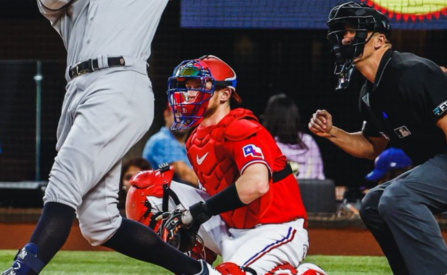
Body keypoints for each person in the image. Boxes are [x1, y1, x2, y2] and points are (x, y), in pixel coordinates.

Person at [2, 0, 334, 275]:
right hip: (77, 88)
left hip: (118, 82)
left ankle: (19, 272)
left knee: (62, 186)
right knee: (98, 224)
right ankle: (198, 273)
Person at [308, 2, 447, 275]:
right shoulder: (368, 94)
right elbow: (371, 148)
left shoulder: (411, 70)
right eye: (342, 33)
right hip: (444, 160)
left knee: (397, 197)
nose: (344, 39)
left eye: (352, 31)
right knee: (373, 204)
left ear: (379, 40)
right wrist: (332, 132)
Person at [127, 56, 326, 275]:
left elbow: (256, 184)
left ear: (225, 94)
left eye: (199, 86)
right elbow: (215, 191)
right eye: (187, 87)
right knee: (145, 188)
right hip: (230, 225)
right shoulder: (195, 140)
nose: (189, 93)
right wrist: (194, 228)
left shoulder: (240, 126)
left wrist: (200, 212)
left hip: (275, 228)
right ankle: (191, 254)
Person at [261, 93, 324, 180]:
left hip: (282, 192)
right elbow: (320, 177)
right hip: (310, 192)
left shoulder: (266, 144)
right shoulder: (308, 141)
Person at [143, 104, 199, 186]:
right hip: (160, 196)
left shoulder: (186, 146)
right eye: (178, 113)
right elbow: (186, 175)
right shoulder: (161, 140)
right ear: (166, 115)